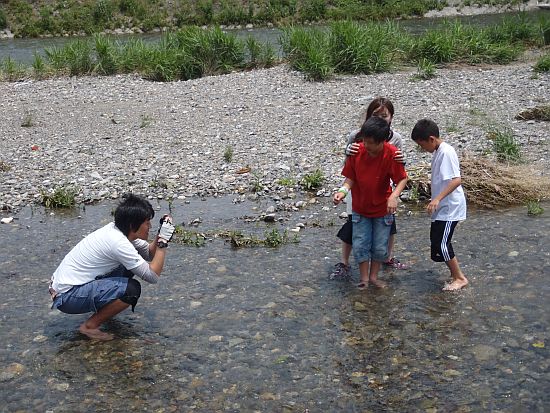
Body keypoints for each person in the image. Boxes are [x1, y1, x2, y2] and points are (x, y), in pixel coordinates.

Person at [48, 193, 176, 340]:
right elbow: (152, 276)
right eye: (147, 223)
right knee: (131, 290)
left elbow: (147, 253)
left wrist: (161, 235)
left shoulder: (120, 231)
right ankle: (89, 326)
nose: (150, 227)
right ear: (132, 225)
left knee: (129, 267)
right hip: (67, 297)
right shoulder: (118, 242)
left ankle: (104, 312)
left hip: (67, 288)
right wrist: (162, 244)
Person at [330, 97, 407, 280]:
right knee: (356, 233)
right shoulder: (358, 140)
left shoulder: (394, 142)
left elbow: (400, 173)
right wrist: (342, 191)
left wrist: (394, 195)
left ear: (391, 117)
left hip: (382, 196)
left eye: (384, 115)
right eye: (375, 115)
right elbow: (350, 173)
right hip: (359, 194)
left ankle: (384, 262)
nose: (367, 146)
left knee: (385, 233)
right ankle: (346, 264)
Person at [410, 118, 469, 291]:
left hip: (450, 207)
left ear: (431, 139)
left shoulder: (446, 152)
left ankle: (460, 278)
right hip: (442, 206)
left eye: (422, 145)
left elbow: (456, 180)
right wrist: (435, 199)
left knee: (442, 244)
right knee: (436, 243)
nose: (422, 149)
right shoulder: (438, 151)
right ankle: (454, 274)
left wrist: (437, 199)